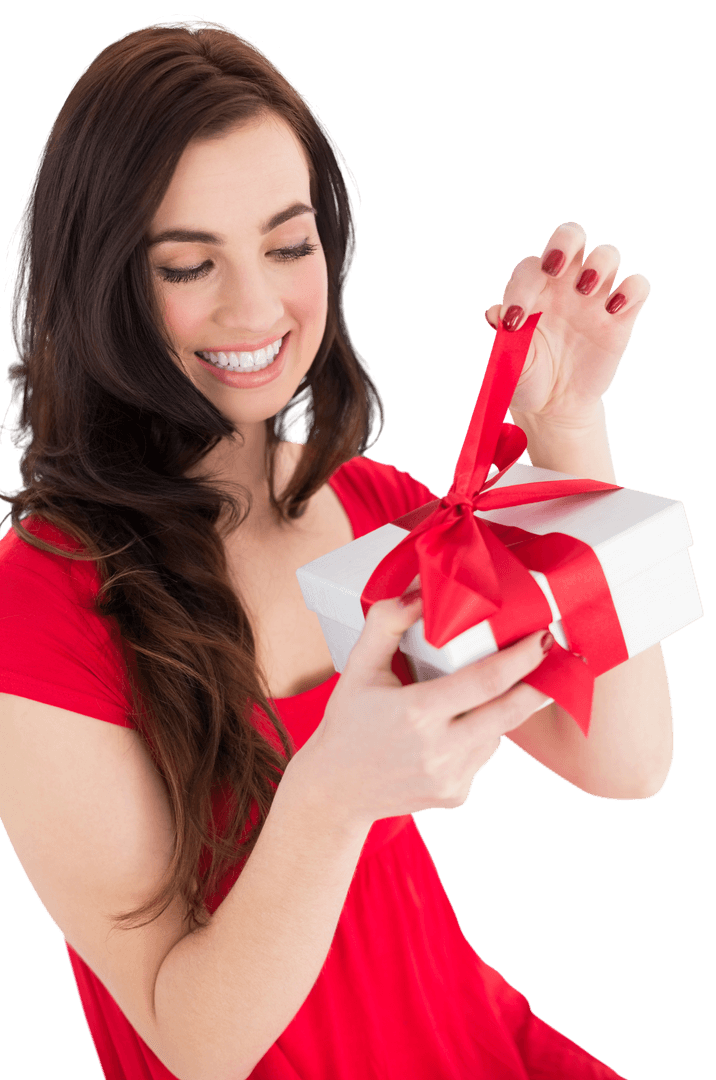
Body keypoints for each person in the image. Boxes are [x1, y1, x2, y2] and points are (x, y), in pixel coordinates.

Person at [0, 16, 673, 1080]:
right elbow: (193, 1041)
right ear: (104, 283)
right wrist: (331, 795)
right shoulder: (38, 605)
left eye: (285, 243)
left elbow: (623, 762)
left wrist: (565, 437)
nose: (255, 304)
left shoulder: (373, 507)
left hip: (475, 1046)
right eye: (188, 264)